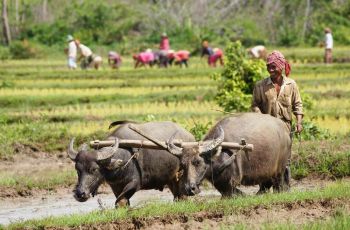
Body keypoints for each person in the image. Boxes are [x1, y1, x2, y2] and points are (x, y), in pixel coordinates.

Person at [251, 50, 303, 185]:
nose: (270, 70)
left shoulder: (291, 85)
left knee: (285, 159)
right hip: (267, 132)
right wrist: (261, 119)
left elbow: (297, 104)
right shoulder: (260, 86)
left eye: (273, 67)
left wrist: (299, 122)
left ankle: (284, 188)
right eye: (268, 67)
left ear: (281, 67)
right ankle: (265, 187)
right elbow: (255, 105)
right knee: (267, 159)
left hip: (285, 129)